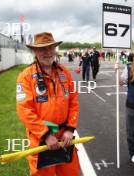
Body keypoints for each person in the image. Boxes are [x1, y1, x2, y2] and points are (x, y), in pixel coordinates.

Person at [16, 32, 80, 176]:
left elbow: (74, 103)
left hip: (65, 138)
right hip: (41, 140)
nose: (48, 52)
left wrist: (70, 129)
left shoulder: (65, 73)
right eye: (43, 49)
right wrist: (46, 135)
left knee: (71, 173)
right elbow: (24, 110)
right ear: (35, 51)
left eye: (51, 48)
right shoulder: (25, 76)